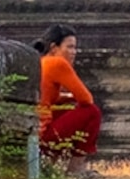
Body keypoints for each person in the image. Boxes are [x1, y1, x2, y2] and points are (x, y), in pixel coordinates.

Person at [37, 27, 101, 165]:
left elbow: (45, 98)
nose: (74, 52)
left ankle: (51, 164)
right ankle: (76, 167)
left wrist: (67, 98)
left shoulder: (41, 61)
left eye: (75, 48)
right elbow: (86, 99)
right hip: (42, 135)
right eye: (70, 47)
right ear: (54, 47)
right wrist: (74, 97)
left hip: (33, 131)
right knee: (92, 112)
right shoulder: (57, 63)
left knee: (65, 108)